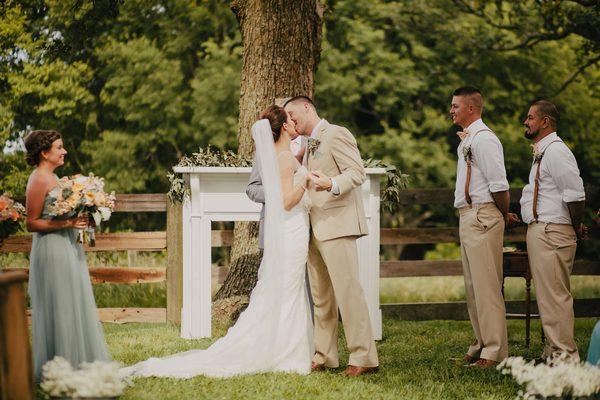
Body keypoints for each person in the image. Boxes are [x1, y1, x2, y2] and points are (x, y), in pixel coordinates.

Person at [121, 105, 313, 378]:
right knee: (285, 289)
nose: (294, 121)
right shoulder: (273, 156)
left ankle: (286, 348)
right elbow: (277, 196)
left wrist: (303, 171)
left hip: (293, 228)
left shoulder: (292, 152)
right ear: (282, 126)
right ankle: (285, 353)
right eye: (290, 119)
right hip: (287, 226)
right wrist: (302, 183)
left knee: (287, 289)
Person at [284, 95, 379, 377]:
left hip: (338, 224)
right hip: (314, 227)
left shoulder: (336, 133)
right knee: (321, 296)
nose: (290, 120)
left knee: (348, 293)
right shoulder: (308, 143)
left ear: (307, 107)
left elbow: (357, 172)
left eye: (292, 113)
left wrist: (333, 183)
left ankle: (363, 357)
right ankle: (324, 355)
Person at [24, 130, 110, 382]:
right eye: (59, 147)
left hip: (66, 246)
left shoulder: (53, 177)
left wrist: (83, 214)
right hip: (51, 248)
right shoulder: (39, 179)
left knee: (71, 303)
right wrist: (69, 223)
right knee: (59, 305)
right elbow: (31, 223)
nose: (64, 151)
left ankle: (74, 365)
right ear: (44, 152)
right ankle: (59, 368)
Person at [512, 100, 586, 362]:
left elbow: (575, 194)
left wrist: (575, 227)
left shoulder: (556, 151)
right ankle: (553, 353)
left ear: (545, 122)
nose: (525, 121)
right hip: (541, 231)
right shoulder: (543, 151)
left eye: (530, 117)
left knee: (555, 296)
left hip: (552, 232)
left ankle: (565, 357)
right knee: (547, 296)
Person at [449, 87, 509, 368]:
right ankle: (481, 343)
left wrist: (502, 215)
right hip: (467, 216)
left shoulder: (485, 140)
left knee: (487, 287)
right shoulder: (467, 140)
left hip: (482, 215)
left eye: (455, 106)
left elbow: (499, 185)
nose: (451, 110)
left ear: (471, 109)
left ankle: (494, 351)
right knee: (473, 287)